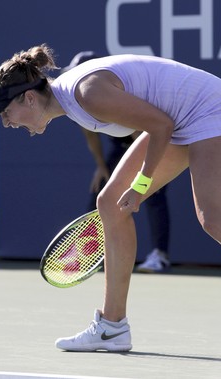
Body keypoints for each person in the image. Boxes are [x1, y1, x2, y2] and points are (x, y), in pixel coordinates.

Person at [0, 44, 221, 365]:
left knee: (215, 218)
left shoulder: (86, 94)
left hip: (209, 107)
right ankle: (111, 327)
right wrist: (137, 184)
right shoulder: (71, 101)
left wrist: (141, 185)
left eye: (7, 113)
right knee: (110, 203)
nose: (8, 122)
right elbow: (160, 123)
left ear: (30, 99)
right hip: (177, 117)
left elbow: (160, 125)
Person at [62, 51, 171, 273]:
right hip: (120, 146)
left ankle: (160, 256)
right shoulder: (82, 100)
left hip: (150, 140)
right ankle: (86, 254)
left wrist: (144, 176)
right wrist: (102, 167)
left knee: (153, 195)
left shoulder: (108, 93)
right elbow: (90, 135)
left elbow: (142, 135)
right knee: (100, 192)